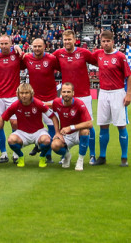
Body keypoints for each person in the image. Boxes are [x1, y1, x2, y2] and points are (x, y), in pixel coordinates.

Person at [52, 29, 98, 163]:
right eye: (65, 40)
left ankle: (92, 155)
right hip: (67, 95)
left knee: (88, 125)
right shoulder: (58, 53)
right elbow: (46, 60)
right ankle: (64, 154)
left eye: (69, 39)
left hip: (83, 94)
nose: (67, 42)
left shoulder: (83, 53)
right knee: (66, 122)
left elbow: (98, 61)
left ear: (74, 40)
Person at [92, 30, 131, 167]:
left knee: (121, 125)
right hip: (103, 93)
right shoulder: (98, 54)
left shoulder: (120, 56)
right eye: (103, 41)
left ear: (113, 42)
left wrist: (128, 94)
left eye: (108, 41)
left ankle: (124, 157)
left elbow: (129, 76)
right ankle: (102, 156)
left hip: (118, 93)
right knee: (103, 124)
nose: (105, 43)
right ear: (101, 42)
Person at [0, 83, 59, 168]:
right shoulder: (15, 105)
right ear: (18, 94)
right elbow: (1, 119)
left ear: (31, 94)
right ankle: (20, 156)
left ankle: (42, 157)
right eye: (21, 93)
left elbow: (53, 117)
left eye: (26, 93)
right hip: (22, 132)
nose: (24, 95)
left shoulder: (38, 103)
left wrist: (57, 132)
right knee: (11, 140)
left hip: (38, 131)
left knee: (46, 140)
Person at [21, 38, 59, 162]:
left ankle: (48, 154)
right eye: (35, 46)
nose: (37, 48)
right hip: (34, 100)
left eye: (39, 46)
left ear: (45, 47)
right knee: (35, 126)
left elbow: (63, 68)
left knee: (51, 126)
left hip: (50, 98)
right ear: (31, 47)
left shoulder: (51, 59)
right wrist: (15, 47)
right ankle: (37, 145)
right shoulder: (27, 58)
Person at [0, 34, 23, 163]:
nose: (3, 46)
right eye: (1, 44)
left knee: (15, 123)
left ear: (11, 44)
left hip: (13, 95)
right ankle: (3, 152)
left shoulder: (17, 55)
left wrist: (19, 48)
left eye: (6, 43)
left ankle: (15, 151)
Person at [50, 82, 93, 171]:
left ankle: (80, 160)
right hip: (65, 135)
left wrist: (71, 127)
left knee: (85, 131)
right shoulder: (56, 102)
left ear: (73, 93)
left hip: (78, 133)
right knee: (54, 145)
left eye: (68, 92)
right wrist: (57, 132)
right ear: (61, 93)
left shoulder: (79, 103)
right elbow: (50, 112)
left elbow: (89, 123)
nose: (66, 94)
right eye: (64, 92)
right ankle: (67, 155)